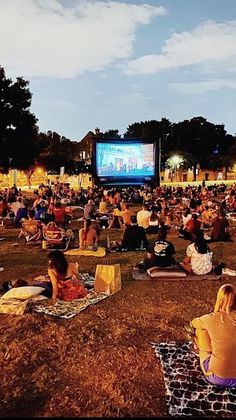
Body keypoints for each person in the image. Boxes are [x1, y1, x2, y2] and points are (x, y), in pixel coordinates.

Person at [189, 284, 236, 387]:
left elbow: (193, 323)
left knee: (201, 329)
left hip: (218, 377)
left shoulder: (210, 319)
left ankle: (202, 352)